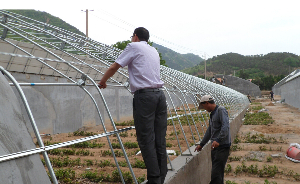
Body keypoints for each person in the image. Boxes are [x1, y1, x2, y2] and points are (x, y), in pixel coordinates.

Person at [98, 27, 167, 184]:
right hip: (159, 96)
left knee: (146, 138)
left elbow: (114, 66)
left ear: (135, 36)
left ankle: (154, 179)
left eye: (131, 36)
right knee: (159, 138)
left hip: (145, 97)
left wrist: (103, 81)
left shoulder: (133, 46)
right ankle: (161, 176)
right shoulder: (153, 50)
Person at [194, 95, 231, 184]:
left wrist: (218, 140)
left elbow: (225, 127)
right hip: (215, 148)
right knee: (217, 174)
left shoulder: (220, 110)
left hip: (222, 147)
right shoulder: (213, 114)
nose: (204, 109)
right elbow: (210, 130)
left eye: (204, 107)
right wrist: (201, 144)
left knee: (216, 175)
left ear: (207, 103)